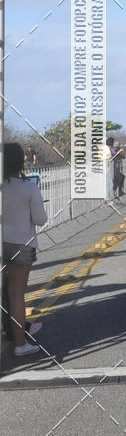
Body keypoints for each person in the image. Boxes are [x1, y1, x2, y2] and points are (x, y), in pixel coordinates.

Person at [1, 143, 47, 356]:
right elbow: (40, 219)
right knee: (16, 294)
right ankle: (20, 344)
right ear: (21, 161)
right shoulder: (29, 187)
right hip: (22, 245)